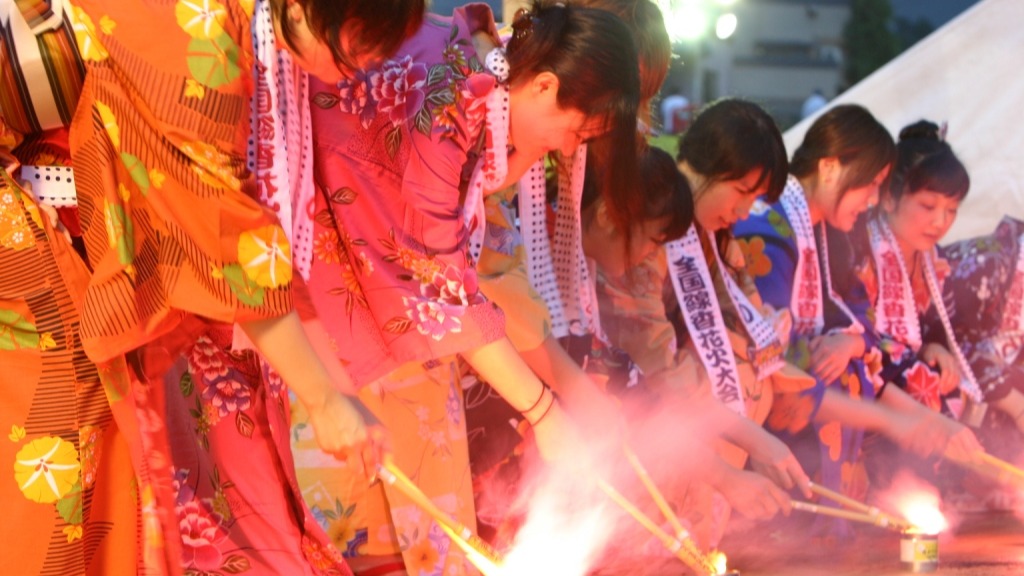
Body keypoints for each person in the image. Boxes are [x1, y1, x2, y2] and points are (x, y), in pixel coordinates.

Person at [63, 0, 419, 572]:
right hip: (53, 250)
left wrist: (335, 393)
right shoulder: (197, 28)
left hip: (149, 277)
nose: (366, 72)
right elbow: (226, 228)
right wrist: (325, 397)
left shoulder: (254, 36)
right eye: (360, 49)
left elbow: (250, 228)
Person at [299, 2, 641, 574]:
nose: (566, 150)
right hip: (337, 301)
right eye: (577, 131)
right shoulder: (451, 103)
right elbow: (444, 288)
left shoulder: (480, 74)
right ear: (546, 85)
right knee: (353, 511)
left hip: (378, 304)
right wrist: (546, 413)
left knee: (412, 505)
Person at [733, 106, 981, 535]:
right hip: (764, 391)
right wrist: (901, 420)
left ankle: (832, 526)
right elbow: (774, 349)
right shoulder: (769, 226)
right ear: (830, 168)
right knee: (835, 373)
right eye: (870, 186)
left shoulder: (828, 233)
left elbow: (856, 316)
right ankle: (801, 529)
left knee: (852, 362)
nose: (871, 201)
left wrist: (851, 342)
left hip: (819, 386)